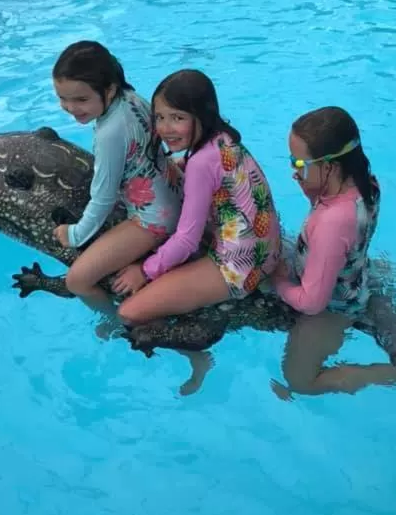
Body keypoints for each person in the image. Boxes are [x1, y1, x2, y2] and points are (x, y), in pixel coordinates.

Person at [113, 70, 281, 391]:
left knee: (130, 312)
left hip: (238, 269)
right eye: (159, 117)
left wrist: (144, 271)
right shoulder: (224, 139)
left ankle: (196, 354)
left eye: (177, 117)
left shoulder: (202, 162)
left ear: (201, 116)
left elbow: (186, 241)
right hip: (267, 252)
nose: (165, 128)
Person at [271, 106, 396, 399]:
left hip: (334, 307)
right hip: (356, 274)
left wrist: (280, 282)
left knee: (299, 381)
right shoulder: (366, 184)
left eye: (299, 163)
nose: (293, 171)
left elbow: (312, 303)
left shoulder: (332, 223)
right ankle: (381, 315)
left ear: (330, 167)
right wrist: (312, 190)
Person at [52, 41, 181, 312]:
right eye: (63, 98)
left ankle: (112, 323)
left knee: (77, 281)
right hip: (175, 188)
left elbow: (103, 198)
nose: (71, 107)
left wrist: (75, 235)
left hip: (154, 219)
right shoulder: (131, 97)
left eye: (81, 99)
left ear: (108, 90)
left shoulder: (109, 133)